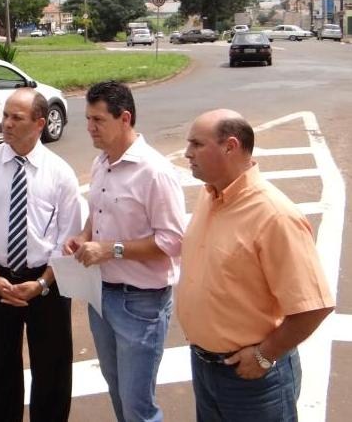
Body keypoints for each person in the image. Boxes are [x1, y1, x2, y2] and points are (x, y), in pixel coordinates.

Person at [178, 109, 335, 421]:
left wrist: (265, 355)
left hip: (251, 377)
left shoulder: (274, 215)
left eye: (197, 144)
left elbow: (314, 306)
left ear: (230, 146)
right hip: (205, 367)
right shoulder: (210, 196)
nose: (187, 153)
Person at [64, 81, 186, 422]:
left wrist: (109, 250)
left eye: (98, 120)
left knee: (138, 406)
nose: (89, 128)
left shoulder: (155, 172)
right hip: (102, 295)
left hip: (141, 304)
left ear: (125, 118)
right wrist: (84, 235)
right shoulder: (103, 162)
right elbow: (99, 211)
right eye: (87, 119)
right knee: (117, 391)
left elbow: (172, 241)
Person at [0, 89, 82, 422]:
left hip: (47, 284)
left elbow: (67, 240)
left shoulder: (60, 173)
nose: (7, 124)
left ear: (39, 123)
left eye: (16, 118)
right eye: (5, 115)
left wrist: (42, 283)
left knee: (52, 371)